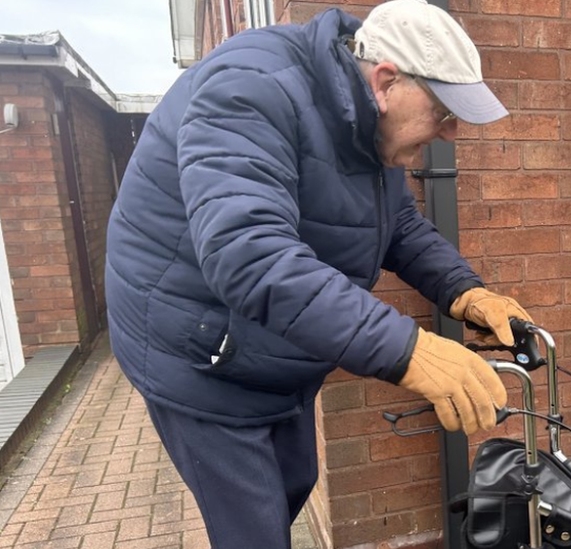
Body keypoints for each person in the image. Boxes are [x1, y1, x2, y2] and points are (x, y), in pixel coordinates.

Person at [104, 1, 531, 547]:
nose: (450, 133)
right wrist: (408, 352)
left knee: (295, 481)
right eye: (443, 112)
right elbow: (249, 254)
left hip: (271, 343)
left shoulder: (365, 121)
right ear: (386, 81)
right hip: (198, 349)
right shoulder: (249, 90)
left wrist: (464, 290)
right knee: (253, 530)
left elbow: (396, 222)